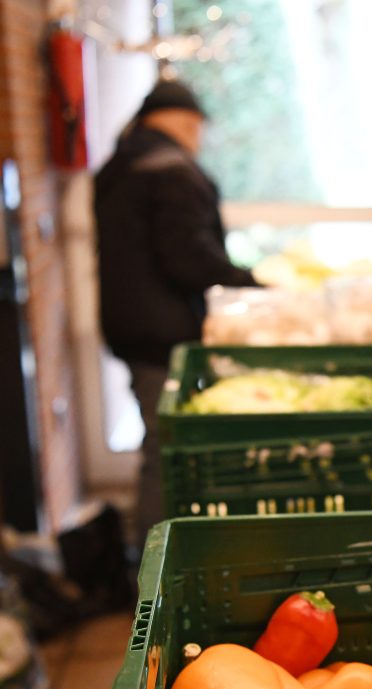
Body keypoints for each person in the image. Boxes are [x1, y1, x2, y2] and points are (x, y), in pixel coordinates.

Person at [94, 79, 258, 545]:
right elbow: (189, 258)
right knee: (165, 455)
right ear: (189, 122)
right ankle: (153, 572)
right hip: (160, 334)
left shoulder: (122, 163)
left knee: (161, 447)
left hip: (133, 328)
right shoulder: (168, 168)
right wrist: (249, 282)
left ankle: (154, 554)